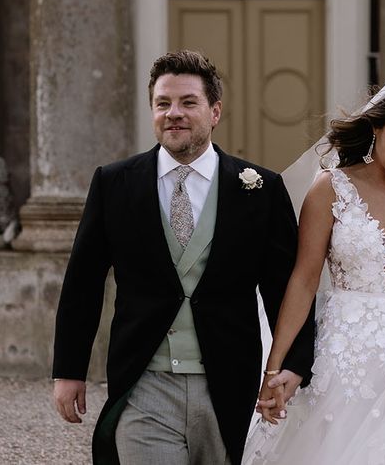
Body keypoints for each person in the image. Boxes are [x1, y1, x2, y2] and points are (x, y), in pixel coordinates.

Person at [52, 50, 315, 465]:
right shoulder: (114, 183)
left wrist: (294, 364)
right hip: (145, 384)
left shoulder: (261, 189)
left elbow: (287, 287)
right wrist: (69, 370)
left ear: (215, 111)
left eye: (188, 102)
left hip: (229, 383)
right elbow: (82, 283)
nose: (173, 113)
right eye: (163, 103)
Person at [243, 76, 385, 464]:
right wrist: (274, 366)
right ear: (374, 129)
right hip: (345, 352)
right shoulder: (331, 188)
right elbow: (303, 281)